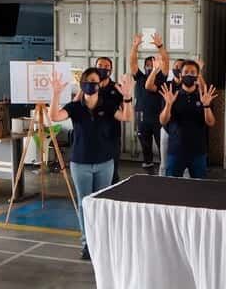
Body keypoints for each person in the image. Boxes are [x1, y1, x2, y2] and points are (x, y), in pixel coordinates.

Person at [49, 68, 134, 260]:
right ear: (82, 84)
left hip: (105, 162)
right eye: (87, 80)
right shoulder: (75, 107)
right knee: (85, 204)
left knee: (101, 203)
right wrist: (55, 94)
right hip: (81, 163)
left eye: (94, 80)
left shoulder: (108, 105)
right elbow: (54, 116)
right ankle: (87, 242)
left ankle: (101, 242)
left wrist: (127, 97)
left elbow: (127, 117)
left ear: (99, 84)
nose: (90, 84)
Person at [158, 60, 217, 178]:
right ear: (181, 75)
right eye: (186, 72)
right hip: (175, 150)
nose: (189, 75)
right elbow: (163, 121)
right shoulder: (172, 95)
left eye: (192, 72)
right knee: (172, 185)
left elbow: (211, 122)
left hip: (198, 151)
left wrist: (206, 105)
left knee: (199, 186)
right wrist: (169, 104)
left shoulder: (204, 96)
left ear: (197, 76)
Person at [129, 33, 168, 175]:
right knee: (145, 145)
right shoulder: (139, 77)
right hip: (142, 117)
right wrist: (135, 46)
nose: (151, 67)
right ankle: (148, 167)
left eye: (153, 65)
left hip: (158, 118)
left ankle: (164, 169)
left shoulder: (161, 78)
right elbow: (133, 62)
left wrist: (160, 47)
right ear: (144, 66)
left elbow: (166, 60)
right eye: (148, 65)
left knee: (162, 146)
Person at [88, 56, 124, 184]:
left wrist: (127, 96)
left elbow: (126, 114)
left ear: (111, 70)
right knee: (92, 172)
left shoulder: (117, 88)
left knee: (112, 174)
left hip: (111, 136)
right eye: (100, 66)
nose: (103, 69)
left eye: (106, 67)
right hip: (91, 136)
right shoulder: (89, 87)